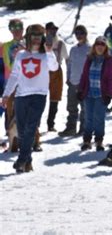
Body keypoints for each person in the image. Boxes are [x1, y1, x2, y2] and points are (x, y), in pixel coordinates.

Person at [1, 24, 58, 173]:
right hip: (21, 96)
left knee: (31, 127)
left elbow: (54, 68)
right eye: (33, 36)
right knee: (21, 128)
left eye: (39, 36)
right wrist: (6, 94)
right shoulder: (21, 55)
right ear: (28, 38)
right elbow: (14, 76)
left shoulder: (46, 54)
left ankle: (20, 160)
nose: (36, 40)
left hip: (39, 95)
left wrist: (50, 51)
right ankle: (28, 161)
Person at [77, 36, 112, 151]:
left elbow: (111, 79)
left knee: (99, 118)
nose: (100, 47)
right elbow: (84, 76)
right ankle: (87, 140)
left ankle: (99, 140)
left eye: (102, 45)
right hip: (89, 93)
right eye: (97, 44)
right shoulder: (89, 59)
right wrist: (80, 89)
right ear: (94, 46)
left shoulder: (109, 61)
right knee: (88, 117)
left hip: (101, 94)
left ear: (106, 47)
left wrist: (109, 94)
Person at [59, 25, 91, 137]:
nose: (79, 36)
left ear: (85, 34)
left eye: (81, 33)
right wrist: (68, 77)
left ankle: (83, 128)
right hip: (73, 81)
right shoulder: (73, 49)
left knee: (84, 107)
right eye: (77, 33)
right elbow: (69, 64)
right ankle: (71, 127)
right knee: (71, 106)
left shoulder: (90, 49)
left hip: (85, 83)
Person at [44, 21, 68, 132]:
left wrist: (69, 74)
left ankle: (50, 124)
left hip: (57, 72)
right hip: (42, 72)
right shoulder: (41, 43)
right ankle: (37, 124)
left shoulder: (60, 44)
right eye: (50, 29)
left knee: (55, 99)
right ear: (46, 31)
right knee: (40, 98)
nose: (53, 32)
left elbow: (67, 59)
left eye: (54, 29)